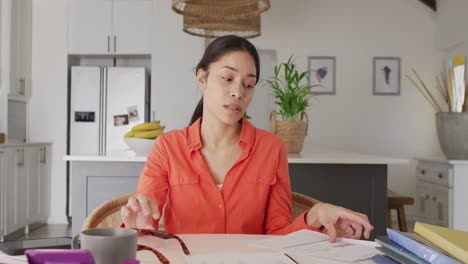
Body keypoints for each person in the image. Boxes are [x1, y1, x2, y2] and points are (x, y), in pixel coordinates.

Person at [121, 35, 373, 242]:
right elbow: (145, 226)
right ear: (202, 78)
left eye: (249, 84)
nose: (238, 92)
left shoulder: (271, 148)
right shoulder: (168, 147)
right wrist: (138, 227)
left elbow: (279, 235)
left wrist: (315, 215)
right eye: (228, 78)